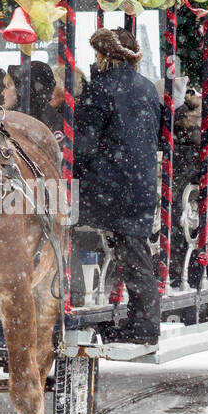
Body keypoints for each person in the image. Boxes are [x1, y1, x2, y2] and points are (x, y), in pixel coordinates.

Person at [73, 27, 162, 345]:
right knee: (135, 253)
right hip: (140, 183)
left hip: (106, 188)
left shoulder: (100, 89)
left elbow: (83, 145)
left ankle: (78, 298)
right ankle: (143, 321)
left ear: (106, 56)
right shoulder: (148, 89)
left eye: (97, 55)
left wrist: (73, 173)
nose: (95, 60)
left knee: (64, 228)